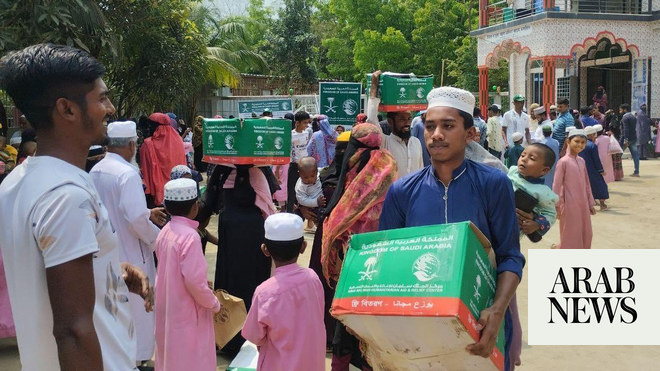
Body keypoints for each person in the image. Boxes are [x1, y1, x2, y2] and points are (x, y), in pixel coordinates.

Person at [0, 43, 152, 370]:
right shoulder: (65, 196)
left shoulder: (18, 182)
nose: (110, 108)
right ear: (67, 110)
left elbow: (46, 272)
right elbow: (73, 330)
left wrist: (115, 270)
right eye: (101, 98)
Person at [378, 86, 525, 371]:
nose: (436, 135)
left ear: (470, 133)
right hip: (421, 332)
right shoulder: (402, 191)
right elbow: (389, 260)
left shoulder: (494, 184)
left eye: (448, 126)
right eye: (430, 126)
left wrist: (497, 310)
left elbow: (510, 256)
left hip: (480, 323)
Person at [90, 120, 167, 365]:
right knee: (137, 312)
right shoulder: (127, 173)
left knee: (111, 313)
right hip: (132, 255)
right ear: (132, 144)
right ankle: (137, 361)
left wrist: (147, 213)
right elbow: (134, 219)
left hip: (104, 253)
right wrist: (158, 240)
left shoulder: (96, 171)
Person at [322, 123, 397, 371]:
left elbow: (343, 217)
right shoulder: (388, 167)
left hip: (355, 260)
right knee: (372, 317)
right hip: (384, 258)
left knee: (348, 316)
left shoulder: (356, 170)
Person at [205, 163, 276, 356]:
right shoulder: (260, 173)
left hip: (230, 231)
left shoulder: (222, 169)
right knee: (255, 286)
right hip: (255, 234)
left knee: (229, 283)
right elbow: (271, 204)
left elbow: (209, 203)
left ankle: (228, 339)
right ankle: (254, 339)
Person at [242, 213, 325, 371]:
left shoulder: (265, 292)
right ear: (303, 247)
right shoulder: (313, 278)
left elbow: (254, 335)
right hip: (312, 363)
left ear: (265, 250)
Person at [154, 178, 221, 371]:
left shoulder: (165, 231)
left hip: (168, 305)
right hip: (187, 311)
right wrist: (214, 303)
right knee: (191, 358)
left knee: (170, 355)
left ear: (166, 207)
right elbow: (195, 283)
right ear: (195, 207)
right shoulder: (190, 237)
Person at [506, 142, 558, 369]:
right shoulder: (509, 172)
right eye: (523, 155)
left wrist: (535, 224)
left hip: (510, 239)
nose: (524, 160)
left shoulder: (544, 193)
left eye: (532, 159)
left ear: (545, 171)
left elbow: (549, 215)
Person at [366, 71, 424, 178]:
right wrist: (374, 89)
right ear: (390, 121)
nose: (407, 123)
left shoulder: (416, 143)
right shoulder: (385, 143)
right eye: (402, 119)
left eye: (408, 119)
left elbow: (421, 175)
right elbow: (372, 121)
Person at [552, 128, 596, 249]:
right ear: (568, 141)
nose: (580, 145)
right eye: (576, 141)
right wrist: (556, 205)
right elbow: (556, 185)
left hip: (583, 203)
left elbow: (587, 183)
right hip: (569, 204)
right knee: (570, 233)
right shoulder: (563, 162)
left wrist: (590, 203)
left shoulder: (581, 161)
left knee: (586, 231)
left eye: (583, 142)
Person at [140, 112, 187, 206]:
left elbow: (146, 171)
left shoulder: (148, 144)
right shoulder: (178, 140)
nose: (149, 128)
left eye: (151, 125)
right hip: (178, 192)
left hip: (157, 195)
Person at [287, 111, 312, 212]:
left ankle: (301, 214)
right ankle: (289, 213)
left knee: (304, 191)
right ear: (297, 123)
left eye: (307, 123)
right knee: (292, 191)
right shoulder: (290, 135)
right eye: (304, 123)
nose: (306, 125)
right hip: (294, 166)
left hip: (305, 166)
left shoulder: (307, 133)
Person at [580, 125, 609, 211]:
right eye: (593, 134)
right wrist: (601, 170)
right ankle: (602, 204)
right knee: (600, 186)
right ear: (590, 135)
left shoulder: (579, 144)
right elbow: (596, 160)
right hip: (592, 170)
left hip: (581, 169)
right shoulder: (592, 146)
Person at [620, 103, 640, 177]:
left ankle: (617, 172)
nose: (620, 111)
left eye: (621, 110)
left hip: (626, 138)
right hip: (634, 137)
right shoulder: (633, 117)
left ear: (625, 110)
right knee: (635, 155)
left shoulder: (625, 117)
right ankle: (637, 172)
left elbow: (626, 129)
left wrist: (625, 139)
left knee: (618, 154)